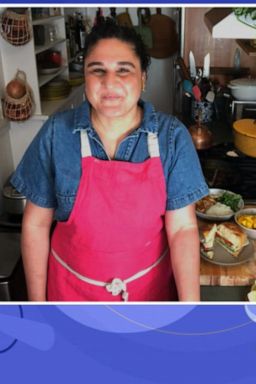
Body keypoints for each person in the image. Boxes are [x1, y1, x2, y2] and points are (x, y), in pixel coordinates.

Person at [11, 20, 209, 302]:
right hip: (70, 295)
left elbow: (182, 229)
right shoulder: (57, 133)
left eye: (124, 70)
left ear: (143, 78)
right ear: (86, 76)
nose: (109, 83)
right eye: (97, 70)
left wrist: (190, 309)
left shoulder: (172, 137)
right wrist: (37, 306)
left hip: (146, 297)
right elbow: (36, 225)